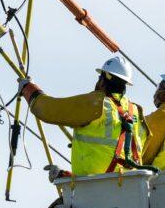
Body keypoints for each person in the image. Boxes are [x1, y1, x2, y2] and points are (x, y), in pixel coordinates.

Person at [18, 55, 149, 178]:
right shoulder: (136, 111)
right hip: (131, 185)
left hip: (100, 188)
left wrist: (28, 88)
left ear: (103, 81)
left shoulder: (97, 104)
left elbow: (49, 110)